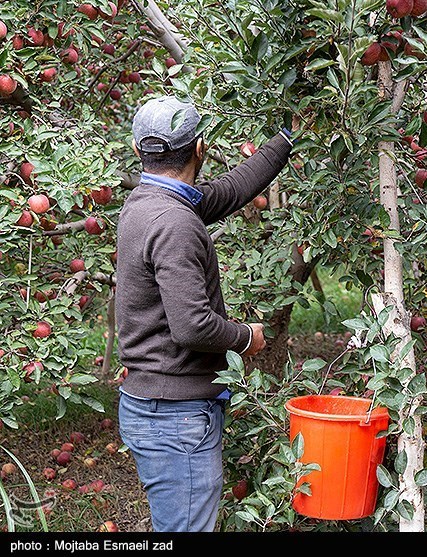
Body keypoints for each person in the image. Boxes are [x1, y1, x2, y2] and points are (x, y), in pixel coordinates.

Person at [115, 95, 296, 532]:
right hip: (174, 418)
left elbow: (232, 189)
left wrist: (286, 139)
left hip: (157, 409)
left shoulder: (148, 203)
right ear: (201, 148)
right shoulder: (174, 223)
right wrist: (244, 336)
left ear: (140, 151)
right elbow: (192, 325)